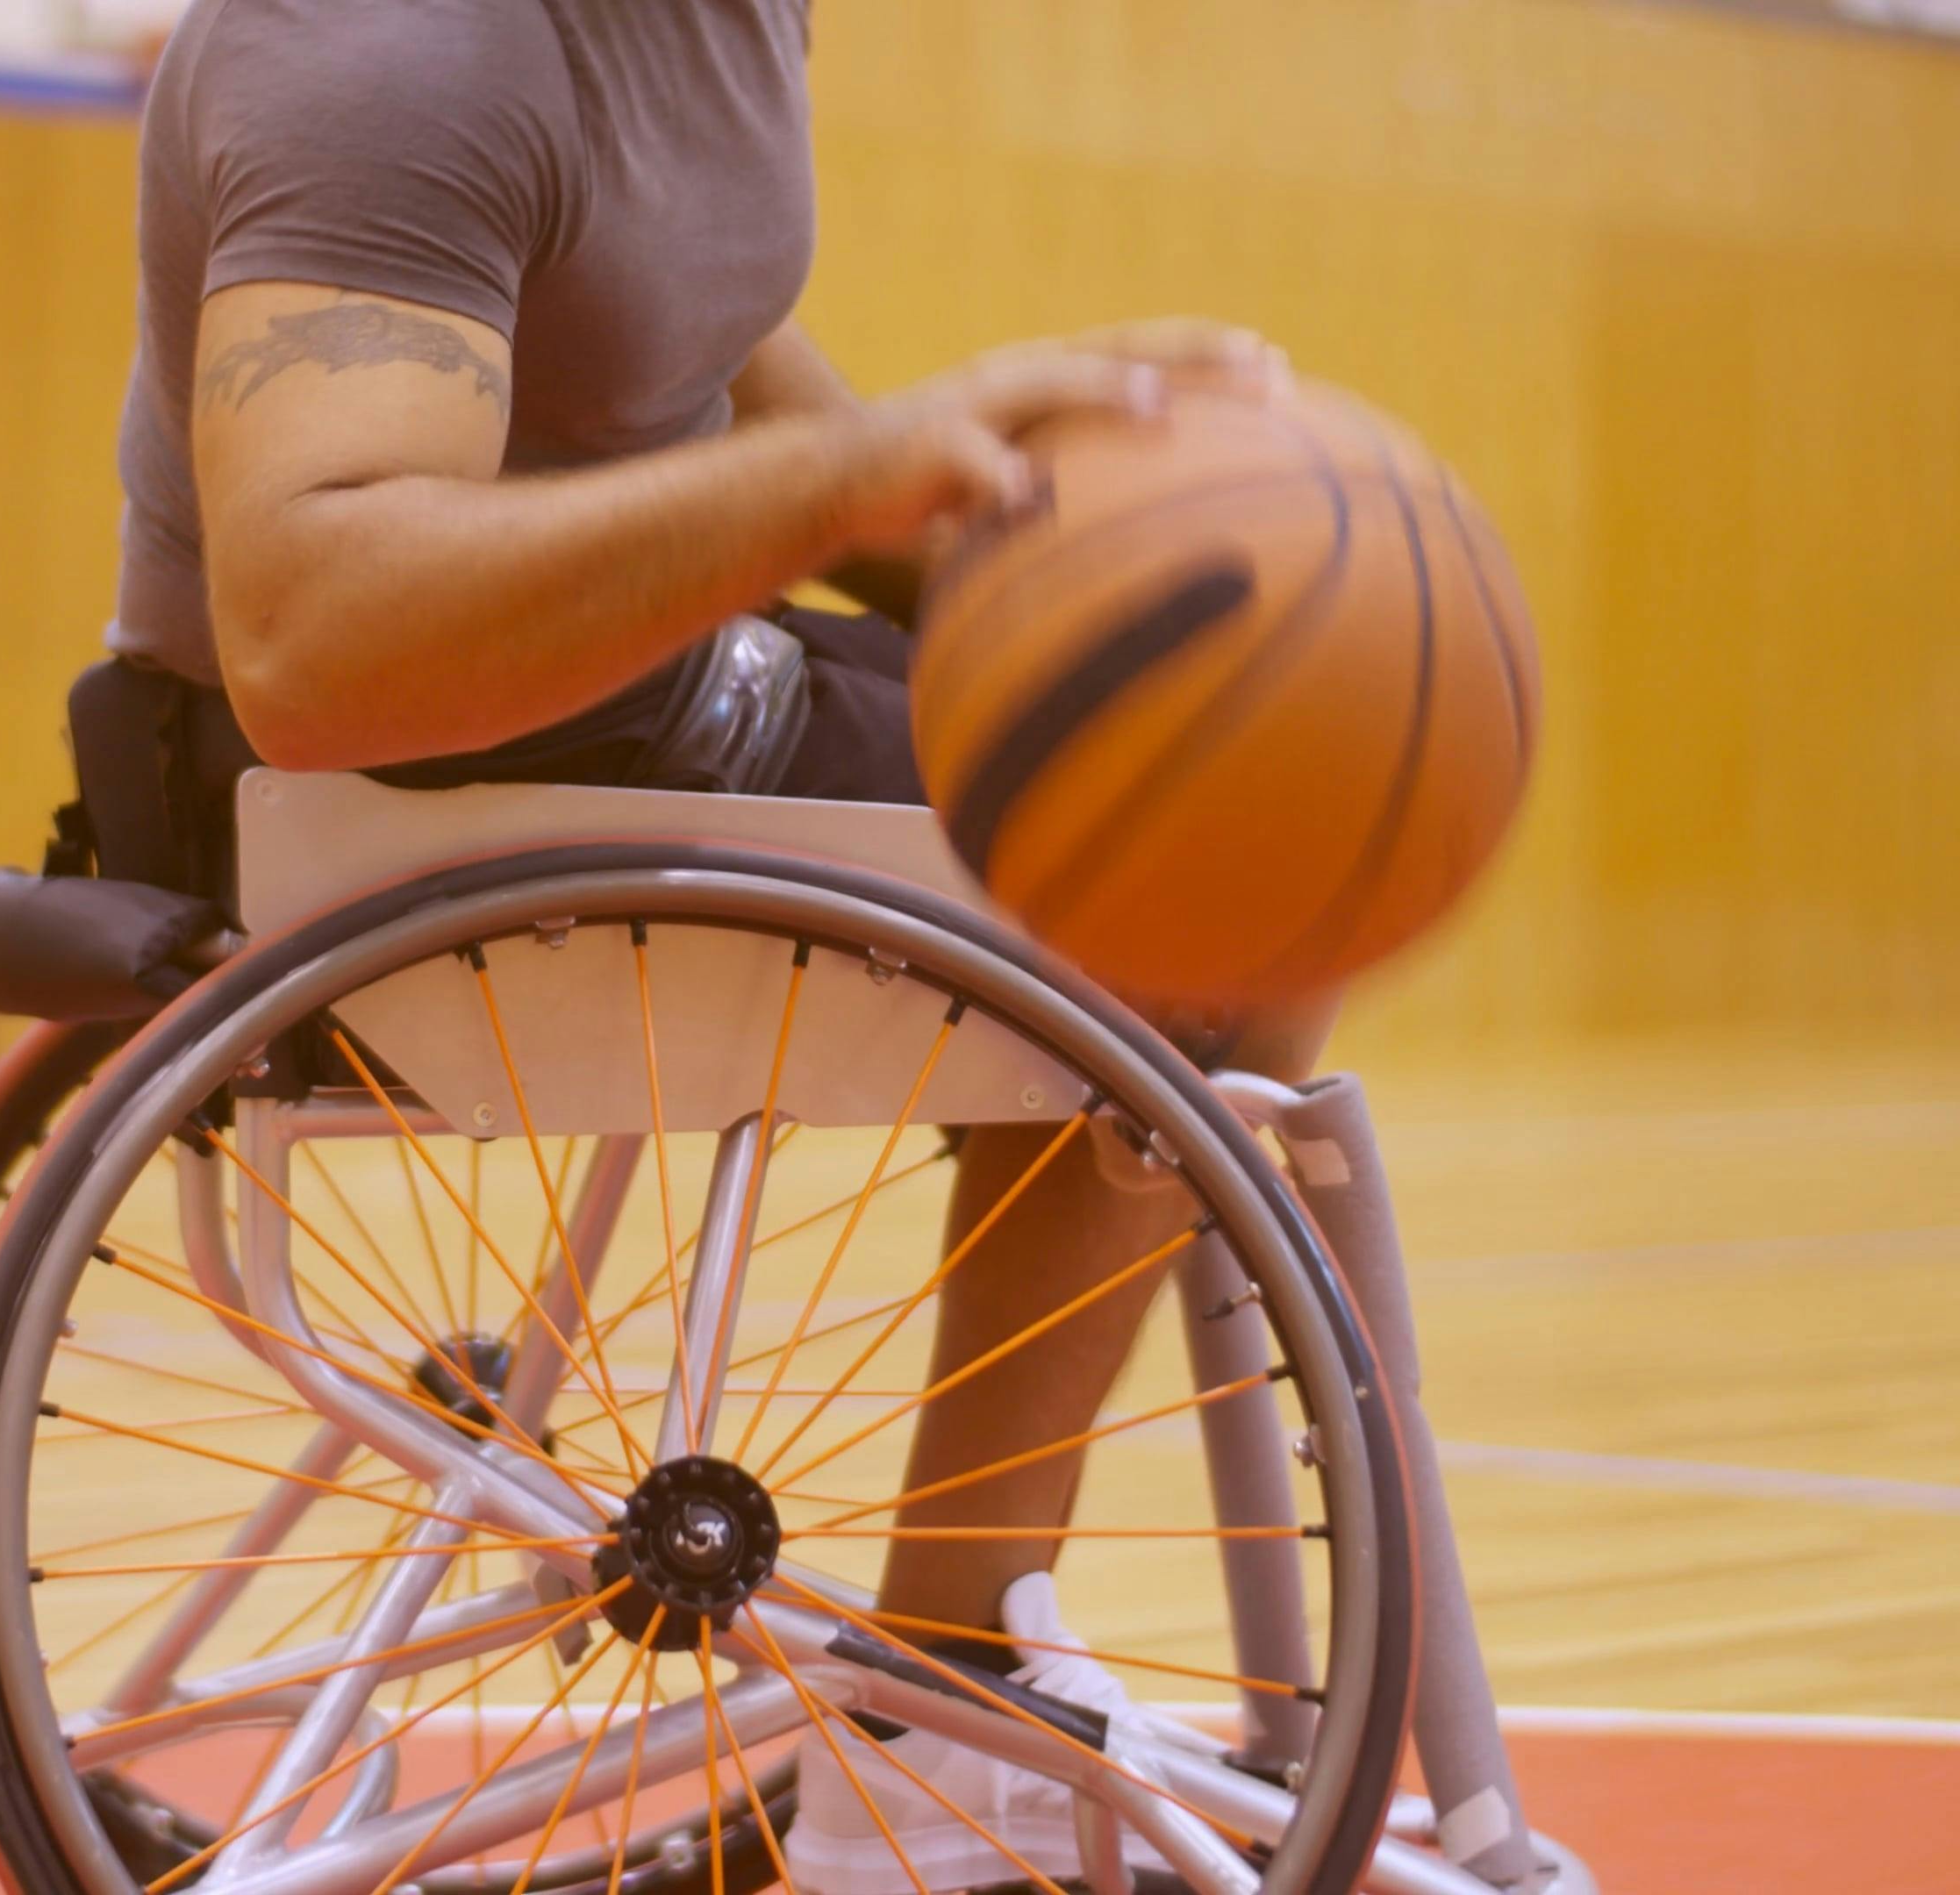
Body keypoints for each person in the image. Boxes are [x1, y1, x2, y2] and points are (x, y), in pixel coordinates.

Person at [104, 4, 1324, 1886]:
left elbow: (701, 346)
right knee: (1238, 857)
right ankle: (941, 1718)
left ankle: (937, 1698)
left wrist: (1051, 556)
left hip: (601, 716)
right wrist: (847, 491)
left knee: (1233, 731)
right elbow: (316, 631)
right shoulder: (395, 46)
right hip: (411, 781)